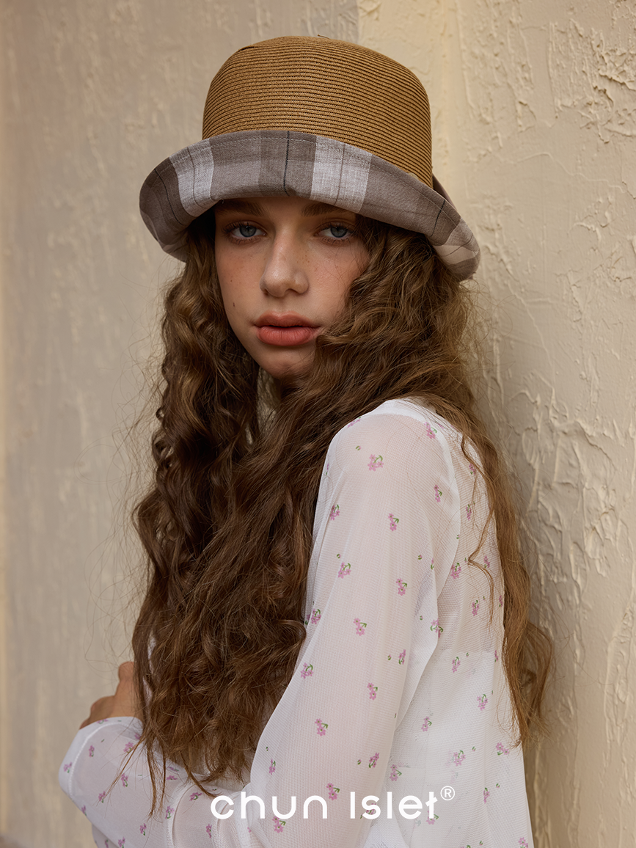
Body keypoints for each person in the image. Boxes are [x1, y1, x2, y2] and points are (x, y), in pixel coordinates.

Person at [59, 35, 551, 848]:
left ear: (397, 261)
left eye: (334, 230)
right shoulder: (314, 457)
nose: (280, 274)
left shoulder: (385, 454)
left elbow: (292, 838)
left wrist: (104, 761)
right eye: (245, 229)